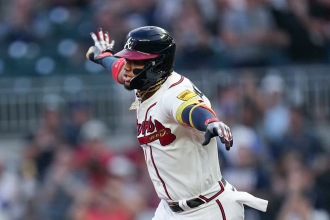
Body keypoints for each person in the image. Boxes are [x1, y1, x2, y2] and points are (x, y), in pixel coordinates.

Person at [86, 26, 268, 220]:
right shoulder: (144, 79)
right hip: (169, 210)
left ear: (157, 63)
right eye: (128, 59)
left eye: (134, 60)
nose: (127, 66)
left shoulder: (172, 92)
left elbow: (190, 109)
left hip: (206, 210)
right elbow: (118, 68)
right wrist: (102, 55)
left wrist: (209, 121)